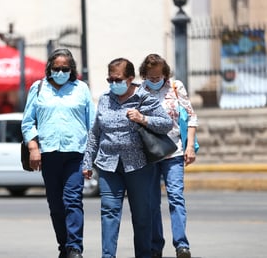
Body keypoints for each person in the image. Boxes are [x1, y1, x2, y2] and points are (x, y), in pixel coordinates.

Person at [82, 57, 173, 258]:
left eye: (118, 79)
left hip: (138, 166)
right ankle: (108, 256)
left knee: (142, 216)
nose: (114, 84)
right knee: (109, 213)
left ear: (130, 78)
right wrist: (87, 162)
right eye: (110, 80)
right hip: (108, 165)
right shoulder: (105, 100)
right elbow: (95, 133)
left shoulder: (144, 98)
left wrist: (143, 118)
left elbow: (166, 124)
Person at [21, 48, 95, 258]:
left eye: (65, 68)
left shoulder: (81, 89)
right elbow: (27, 122)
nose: (61, 72)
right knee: (56, 204)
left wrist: (90, 157)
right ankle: (63, 246)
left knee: (72, 199)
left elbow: (92, 124)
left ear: (71, 70)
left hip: (76, 153)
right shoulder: (38, 88)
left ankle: (74, 247)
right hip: (49, 154)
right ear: (49, 69)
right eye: (56, 68)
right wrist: (34, 148)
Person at [138, 53, 198, 258]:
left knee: (176, 197)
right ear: (144, 75)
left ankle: (182, 245)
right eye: (150, 77)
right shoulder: (139, 91)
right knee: (152, 202)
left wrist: (190, 146)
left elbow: (190, 116)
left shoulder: (175, 87)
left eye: (158, 77)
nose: (155, 81)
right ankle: (156, 246)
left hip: (175, 151)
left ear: (165, 74)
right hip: (150, 155)